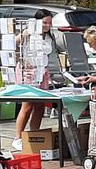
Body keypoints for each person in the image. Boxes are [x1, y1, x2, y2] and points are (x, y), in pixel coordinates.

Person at [13, 8, 65, 151]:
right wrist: (25, 34)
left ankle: (34, 133)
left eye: (49, 23)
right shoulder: (30, 33)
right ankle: (17, 137)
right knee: (27, 105)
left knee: (40, 105)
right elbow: (16, 42)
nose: (47, 26)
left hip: (42, 72)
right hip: (28, 72)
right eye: (44, 23)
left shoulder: (49, 37)